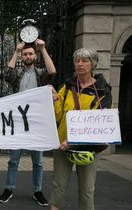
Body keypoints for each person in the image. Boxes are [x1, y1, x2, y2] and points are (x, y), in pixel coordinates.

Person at [50, 48, 112, 210]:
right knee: (58, 186)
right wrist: (54, 100)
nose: (80, 64)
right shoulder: (68, 86)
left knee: (87, 190)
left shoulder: (102, 90)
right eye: (77, 60)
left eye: (84, 61)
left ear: (93, 64)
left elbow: (97, 122)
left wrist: (72, 140)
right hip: (63, 146)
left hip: (87, 148)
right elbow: (57, 115)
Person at [0, 39, 56, 206]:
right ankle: (9, 188)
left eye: (30, 54)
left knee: (37, 161)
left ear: (34, 56)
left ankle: (37, 191)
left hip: (36, 124)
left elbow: (52, 71)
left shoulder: (40, 74)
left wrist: (43, 49)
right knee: (13, 160)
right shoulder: (18, 75)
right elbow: (7, 73)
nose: (28, 56)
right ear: (22, 57)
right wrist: (16, 51)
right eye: (25, 54)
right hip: (18, 123)